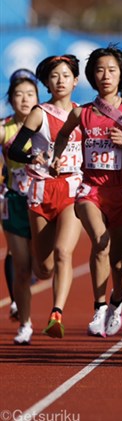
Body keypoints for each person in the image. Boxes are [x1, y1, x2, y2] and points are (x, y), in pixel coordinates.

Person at [53, 45, 122, 345]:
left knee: (121, 261)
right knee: (100, 243)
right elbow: (64, 134)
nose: (105, 76)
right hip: (90, 189)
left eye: (112, 70)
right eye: (99, 70)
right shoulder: (83, 112)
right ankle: (99, 307)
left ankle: (117, 298)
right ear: (92, 76)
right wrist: (57, 157)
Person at [7, 55, 84, 339]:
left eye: (66, 75)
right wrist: (35, 155)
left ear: (75, 80)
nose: (61, 80)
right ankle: (40, 274)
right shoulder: (39, 113)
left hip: (72, 189)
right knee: (44, 266)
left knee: (65, 252)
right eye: (54, 76)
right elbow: (15, 150)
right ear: (47, 82)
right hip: (40, 190)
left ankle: (56, 313)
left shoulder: (82, 113)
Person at [2, 69, 39, 344]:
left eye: (30, 94)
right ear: (10, 99)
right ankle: (24, 323)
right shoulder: (6, 127)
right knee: (22, 265)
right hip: (14, 201)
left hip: (42, 201)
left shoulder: (47, 125)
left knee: (42, 263)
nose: (24, 100)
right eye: (18, 94)